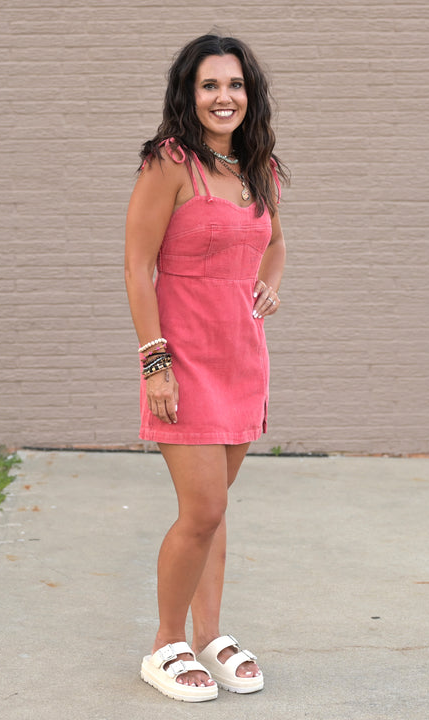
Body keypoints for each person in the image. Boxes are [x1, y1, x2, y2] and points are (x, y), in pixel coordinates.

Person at [124, 33, 287, 703]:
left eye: (236, 85)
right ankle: (167, 644)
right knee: (202, 510)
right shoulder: (170, 162)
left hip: (243, 358)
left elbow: (274, 242)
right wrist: (154, 363)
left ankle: (211, 634)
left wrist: (271, 283)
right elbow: (137, 267)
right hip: (184, 360)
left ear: (251, 94)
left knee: (215, 513)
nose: (225, 97)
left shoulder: (260, 166)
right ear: (189, 94)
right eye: (211, 85)